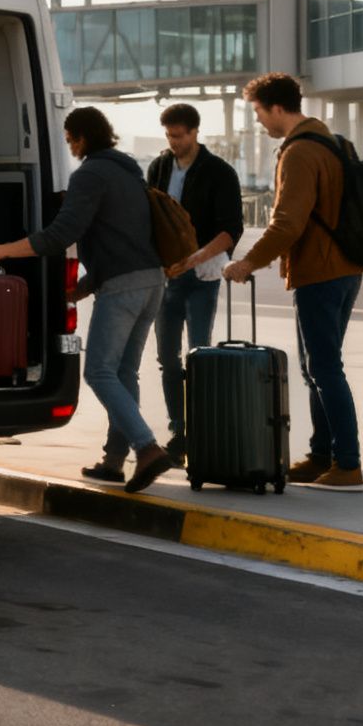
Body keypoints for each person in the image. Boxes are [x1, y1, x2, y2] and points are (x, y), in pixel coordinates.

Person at [0, 107, 171, 493]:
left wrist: (3, 251)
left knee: (99, 371)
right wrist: (84, 286)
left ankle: (147, 448)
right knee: (122, 374)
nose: (70, 147)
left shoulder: (91, 174)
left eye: (70, 140)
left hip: (123, 286)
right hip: (151, 281)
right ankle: (115, 462)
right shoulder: (128, 172)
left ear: (81, 137)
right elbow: (122, 235)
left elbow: (58, 235)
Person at [223, 72, 363, 492]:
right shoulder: (334, 142)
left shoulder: (300, 151)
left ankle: (348, 464)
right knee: (315, 368)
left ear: (277, 108)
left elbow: (287, 223)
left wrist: (248, 262)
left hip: (320, 271)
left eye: (259, 113)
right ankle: (322, 455)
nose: (259, 123)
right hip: (347, 268)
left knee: (325, 368)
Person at [145, 103, 244, 466]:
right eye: (169, 135)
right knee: (166, 359)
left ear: (195, 133)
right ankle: (179, 431)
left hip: (201, 277)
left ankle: (199, 431)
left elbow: (231, 229)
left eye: (179, 136)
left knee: (198, 355)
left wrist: (195, 259)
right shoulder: (158, 167)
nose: (173, 142)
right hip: (165, 277)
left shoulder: (219, 172)